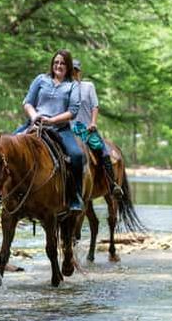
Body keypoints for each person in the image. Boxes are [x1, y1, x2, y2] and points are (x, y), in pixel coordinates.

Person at [16, 50, 86, 211]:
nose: (58, 66)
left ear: (68, 66)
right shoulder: (41, 79)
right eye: (56, 63)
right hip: (34, 124)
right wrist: (35, 116)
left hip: (59, 129)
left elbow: (72, 111)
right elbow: (28, 102)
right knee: (6, 148)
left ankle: (75, 196)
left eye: (62, 63)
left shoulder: (73, 86)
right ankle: (4, 194)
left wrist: (52, 120)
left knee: (77, 155)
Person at [71, 59, 123, 198]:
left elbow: (95, 106)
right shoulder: (64, 88)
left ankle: (112, 185)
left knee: (103, 152)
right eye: (71, 70)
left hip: (87, 128)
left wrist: (93, 122)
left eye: (75, 70)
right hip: (70, 129)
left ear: (79, 72)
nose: (73, 73)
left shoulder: (88, 86)